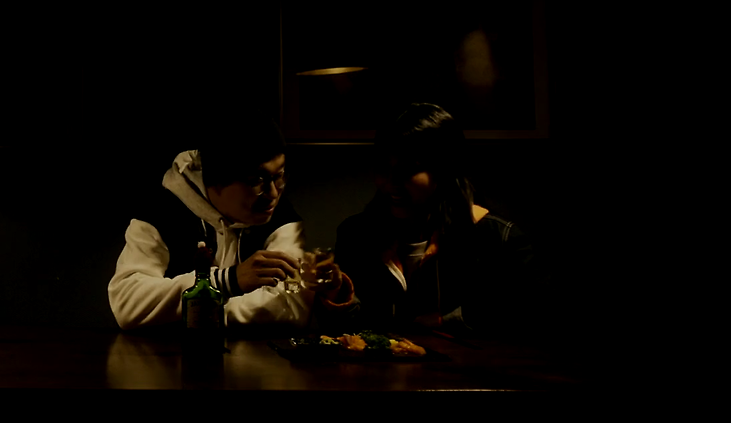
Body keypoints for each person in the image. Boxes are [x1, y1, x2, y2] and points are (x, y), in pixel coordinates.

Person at [108, 117, 354, 330]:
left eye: (279, 176)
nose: (273, 194)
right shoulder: (161, 213)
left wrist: (188, 312)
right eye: (256, 181)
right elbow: (128, 305)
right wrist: (229, 281)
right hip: (170, 363)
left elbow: (290, 309)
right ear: (214, 182)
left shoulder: (281, 218)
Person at [333, 103, 539, 337]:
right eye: (383, 168)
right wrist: (335, 294)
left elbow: (536, 312)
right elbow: (345, 331)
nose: (392, 182)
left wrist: (451, 320)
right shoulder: (356, 235)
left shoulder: (497, 239)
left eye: (408, 169)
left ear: (445, 170)